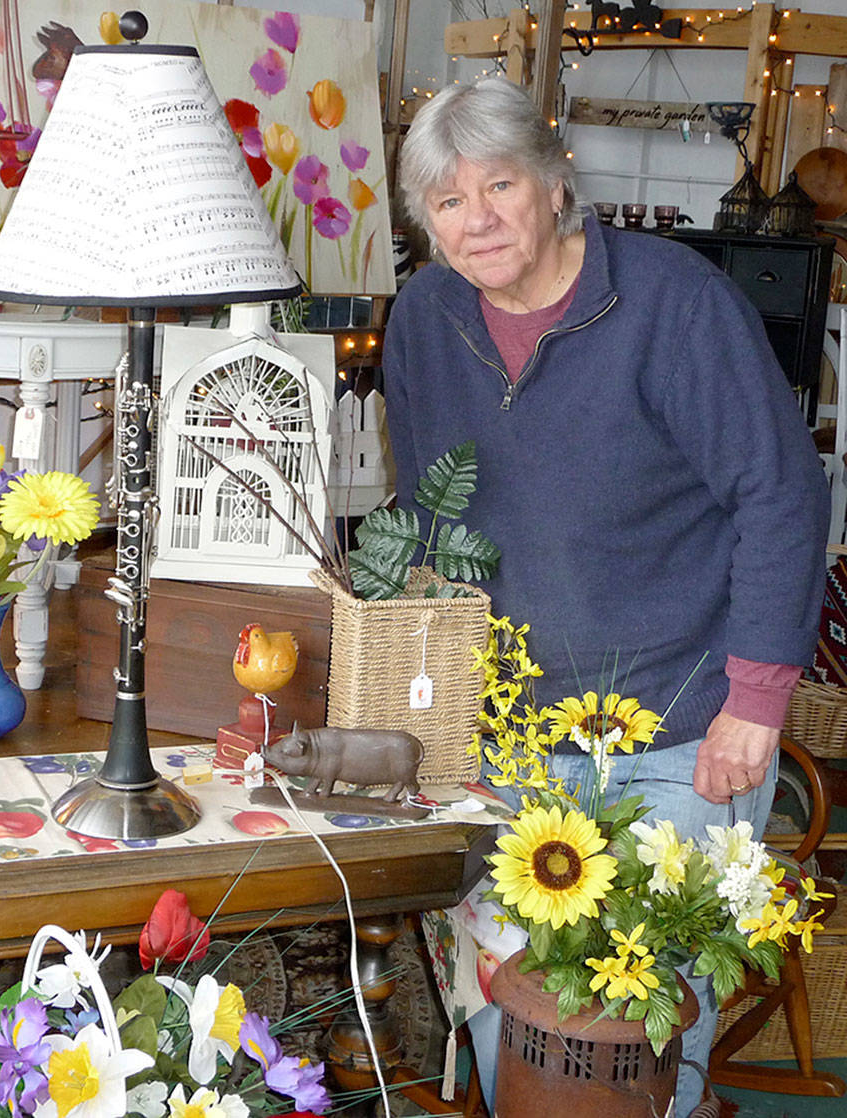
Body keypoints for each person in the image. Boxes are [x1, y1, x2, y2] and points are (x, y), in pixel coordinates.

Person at [387, 76, 829, 1116]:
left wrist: (754, 699)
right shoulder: (422, 315)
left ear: (552, 185)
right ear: (425, 222)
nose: (477, 218)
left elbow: (778, 492)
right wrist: (430, 699)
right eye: (447, 201)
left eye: (498, 185)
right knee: (504, 1011)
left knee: (637, 1039)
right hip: (504, 737)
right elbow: (425, 521)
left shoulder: (674, 304)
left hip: (679, 729)